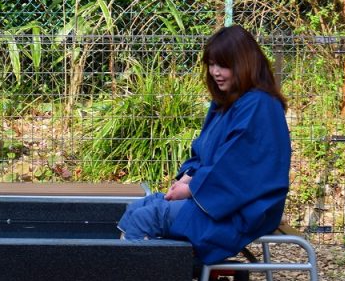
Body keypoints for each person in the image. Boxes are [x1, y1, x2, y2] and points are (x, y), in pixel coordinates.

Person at [118, 25, 291, 265]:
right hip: (217, 199)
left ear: (245, 64)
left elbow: (237, 168)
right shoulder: (225, 103)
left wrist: (191, 189)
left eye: (223, 65)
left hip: (242, 210)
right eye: (211, 64)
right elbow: (203, 153)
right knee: (137, 208)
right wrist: (187, 177)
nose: (215, 72)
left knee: (147, 218)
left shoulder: (259, 106)